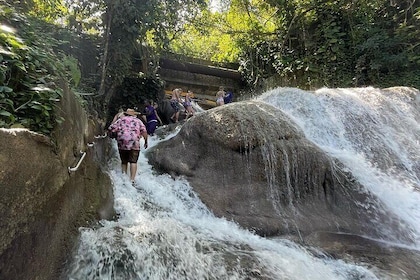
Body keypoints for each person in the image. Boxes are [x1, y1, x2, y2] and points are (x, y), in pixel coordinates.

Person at [108, 108, 148, 185]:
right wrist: (146, 142)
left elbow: (111, 128)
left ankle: (124, 178)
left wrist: (114, 135)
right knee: (133, 161)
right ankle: (132, 180)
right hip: (134, 142)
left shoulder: (121, 120)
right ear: (134, 115)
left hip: (122, 142)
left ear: (125, 114)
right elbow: (144, 131)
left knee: (124, 161)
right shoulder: (138, 121)